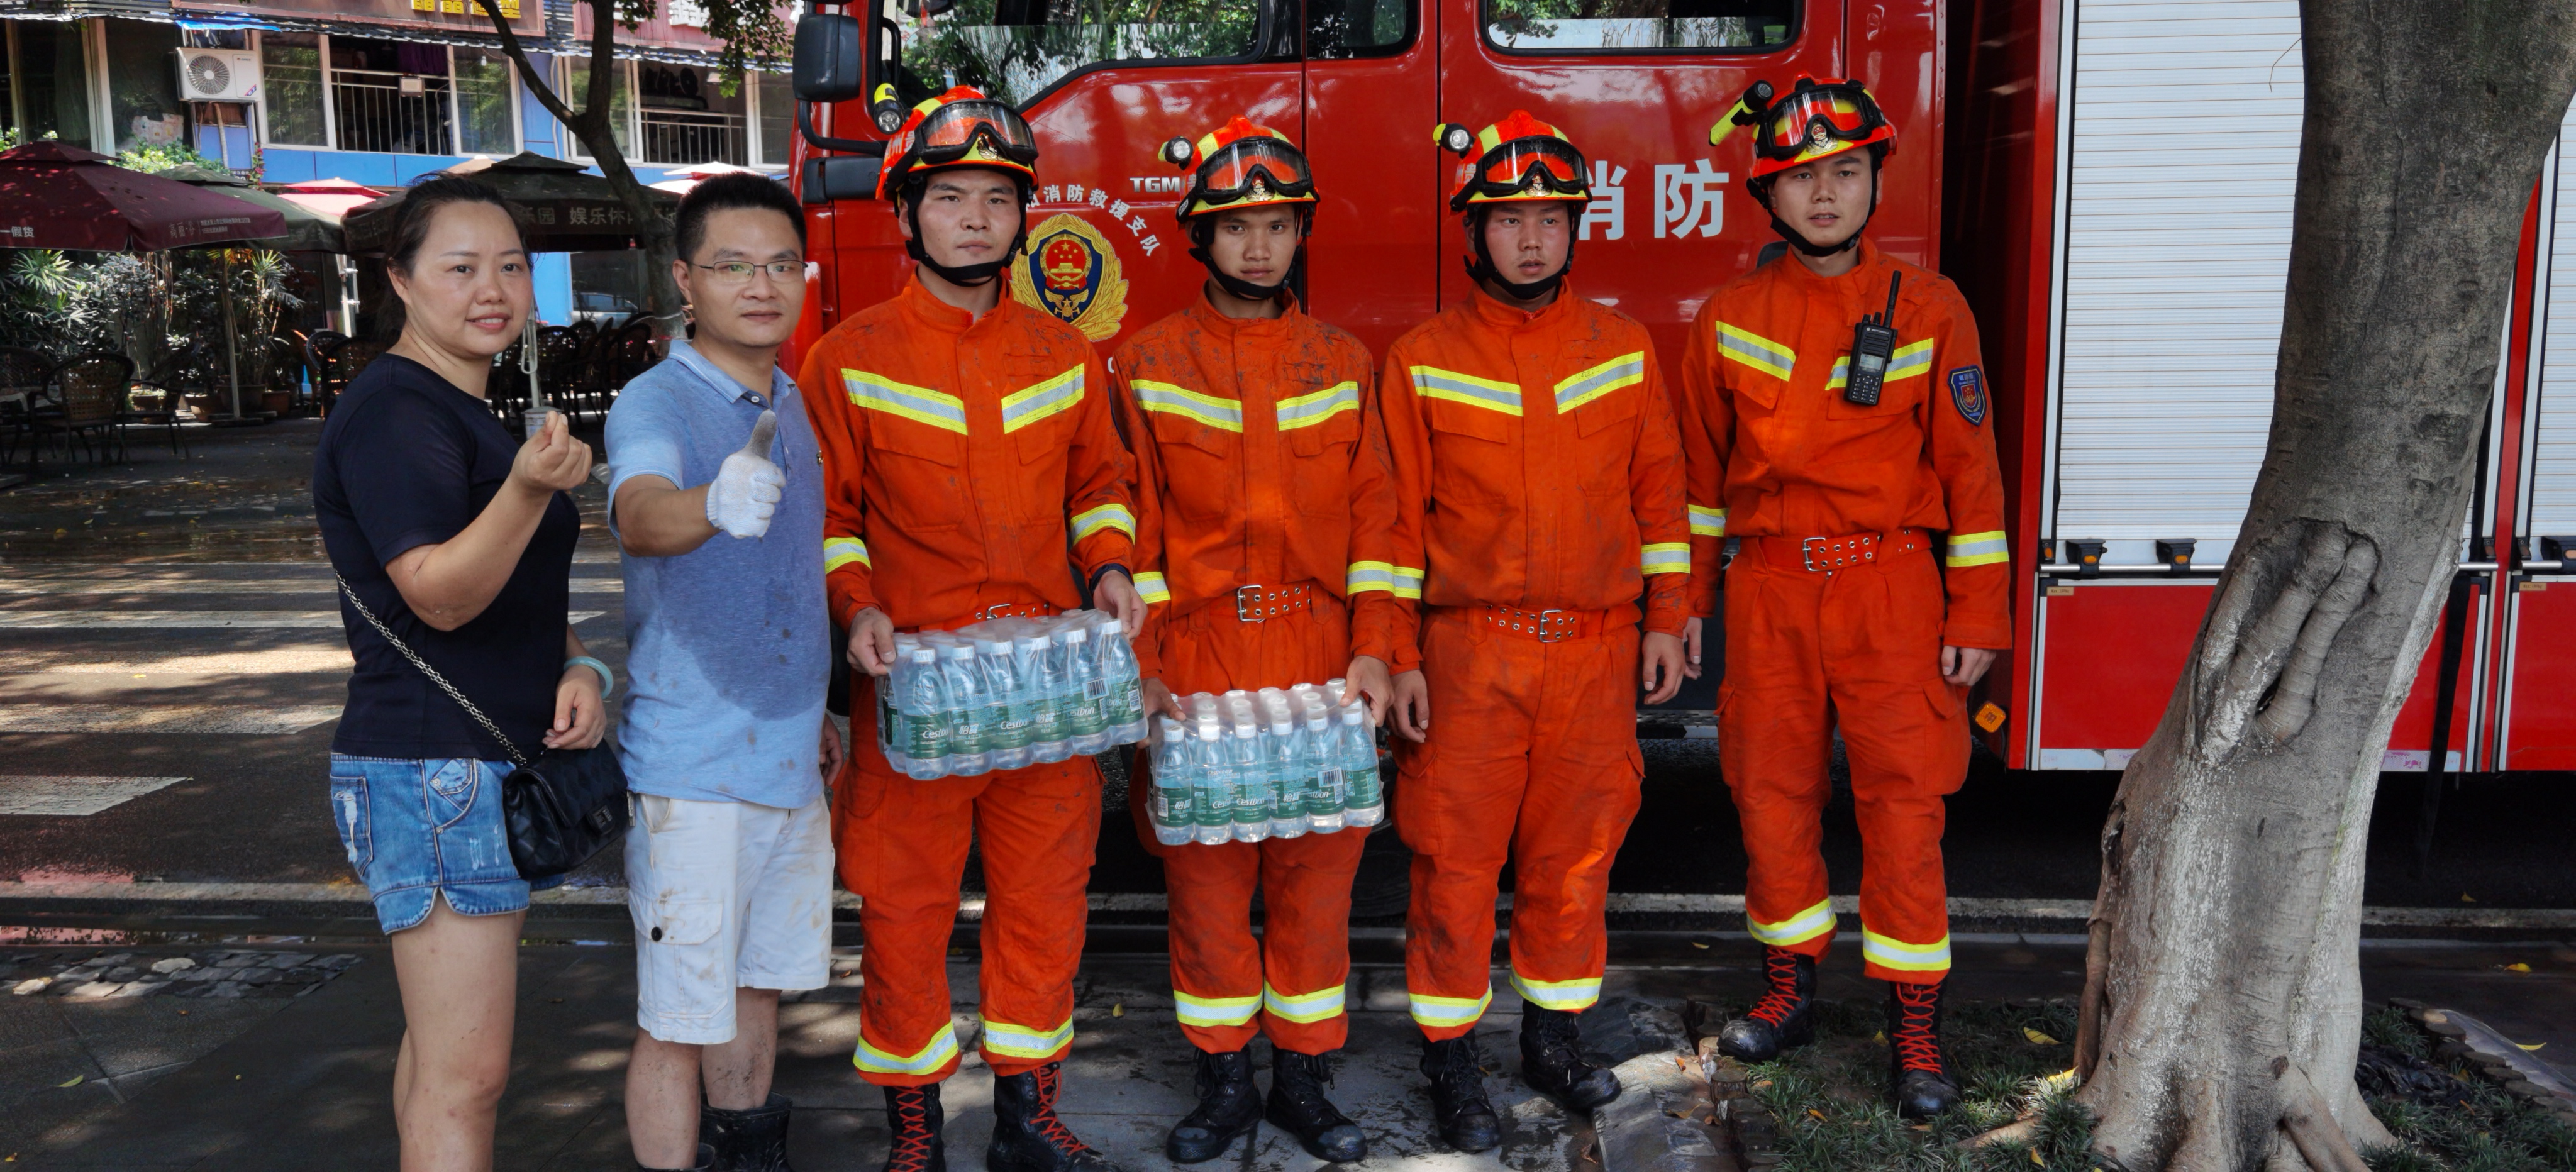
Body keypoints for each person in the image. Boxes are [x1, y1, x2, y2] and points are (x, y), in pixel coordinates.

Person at [795, 86, 1145, 1172]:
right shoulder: (846, 360)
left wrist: (1113, 566)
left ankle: (1027, 1119)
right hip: (913, 688)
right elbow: (828, 520)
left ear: (1024, 215)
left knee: (1044, 907)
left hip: (1043, 686)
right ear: (906, 215)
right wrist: (857, 610)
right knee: (904, 914)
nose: (977, 220)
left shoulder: (1065, 354)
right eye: (949, 199)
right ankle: (916, 1130)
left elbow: (1100, 488)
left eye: (998, 199)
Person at [1677, 76, 2010, 1118]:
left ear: (1875, 183)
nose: (1825, 196)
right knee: (1769, 793)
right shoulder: (1727, 319)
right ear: (1766, 194)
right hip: (1771, 587)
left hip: (1891, 587)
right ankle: (1789, 993)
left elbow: (1971, 474)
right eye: (1802, 179)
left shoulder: (1932, 306)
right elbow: (1697, 489)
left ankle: (1915, 1028)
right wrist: (1686, 606)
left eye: (1847, 173)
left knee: (1904, 805)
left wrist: (1978, 612)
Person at [1377, 111, 1692, 1152]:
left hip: (1595, 650)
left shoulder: (1622, 348)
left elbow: (1660, 498)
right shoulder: (1422, 359)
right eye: (1510, 219)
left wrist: (1668, 617)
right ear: (1473, 232)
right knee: (1454, 865)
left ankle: (1551, 1042)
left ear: (1574, 232)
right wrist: (1397, 653)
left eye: (1551, 219)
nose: (1531, 239)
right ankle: (1451, 1059)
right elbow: (1394, 527)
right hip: (1470, 654)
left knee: (1575, 860)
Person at [1108, 116, 1405, 1165]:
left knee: (1317, 884)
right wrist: (1142, 671)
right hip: (1198, 662)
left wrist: (1376, 650)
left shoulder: (1343, 362)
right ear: (1201, 236)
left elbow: (1378, 527)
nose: (1260, 246)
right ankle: (1226, 1079)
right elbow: (1130, 534)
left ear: (1301, 234)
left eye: (1279, 225)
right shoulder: (1147, 364)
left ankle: (1305, 1081)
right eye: (1237, 226)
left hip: (1319, 659)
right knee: (1207, 889)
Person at [312, 175, 604, 1170]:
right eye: (462, 267)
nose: (494, 290)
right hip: (432, 770)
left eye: (511, 267)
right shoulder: (396, 411)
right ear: (399, 279)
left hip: (464, 763)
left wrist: (579, 664)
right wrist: (525, 489)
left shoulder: (455, 402)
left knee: (443, 1063)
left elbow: (513, 594)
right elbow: (437, 595)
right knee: (465, 1078)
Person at [605, 172, 837, 1172]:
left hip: (785, 758)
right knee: (677, 1019)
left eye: (782, 265)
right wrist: (708, 504)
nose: (761, 285)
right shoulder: (656, 400)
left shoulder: (789, 394)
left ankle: (749, 1156)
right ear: (685, 280)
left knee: (754, 990)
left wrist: (813, 710)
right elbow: (639, 512)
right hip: (693, 774)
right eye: (733, 266)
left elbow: (785, 578)